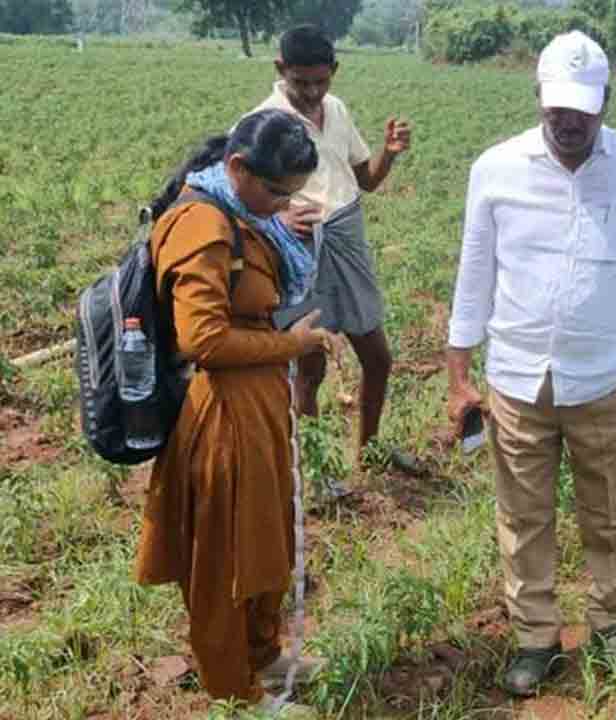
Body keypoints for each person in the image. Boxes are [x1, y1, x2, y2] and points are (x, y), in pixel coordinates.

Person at [446, 31, 616, 697]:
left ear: (605, 104)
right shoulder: (497, 168)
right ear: (538, 97)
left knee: (612, 509)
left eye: (582, 110)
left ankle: (611, 622)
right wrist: (457, 373)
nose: (568, 122)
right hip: (516, 375)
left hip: (607, 373)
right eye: (556, 108)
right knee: (523, 514)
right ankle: (535, 636)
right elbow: (474, 271)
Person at [134, 109, 337, 716]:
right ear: (237, 168)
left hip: (257, 404)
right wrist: (291, 345)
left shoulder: (244, 214)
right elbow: (204, 339)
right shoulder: (202, 224)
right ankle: (234, 689)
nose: (283, 205)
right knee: (223, 555)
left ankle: (265, 653)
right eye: (276, 192)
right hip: (221, 413)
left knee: (264, 537)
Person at [248, 24, 420, 495]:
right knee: (310, 367)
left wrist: (389, 153)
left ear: (334, 73)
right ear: (280, 70)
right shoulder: (264, 121)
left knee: (379, 358)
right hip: (300, 248)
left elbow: (366, 179)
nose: (310, 92)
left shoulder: (337, 109)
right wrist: (279, 218)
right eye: (300, 82)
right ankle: (316, 475)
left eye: (320, 82)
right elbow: (239, 194)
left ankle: (370, 452)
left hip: (347, 235)